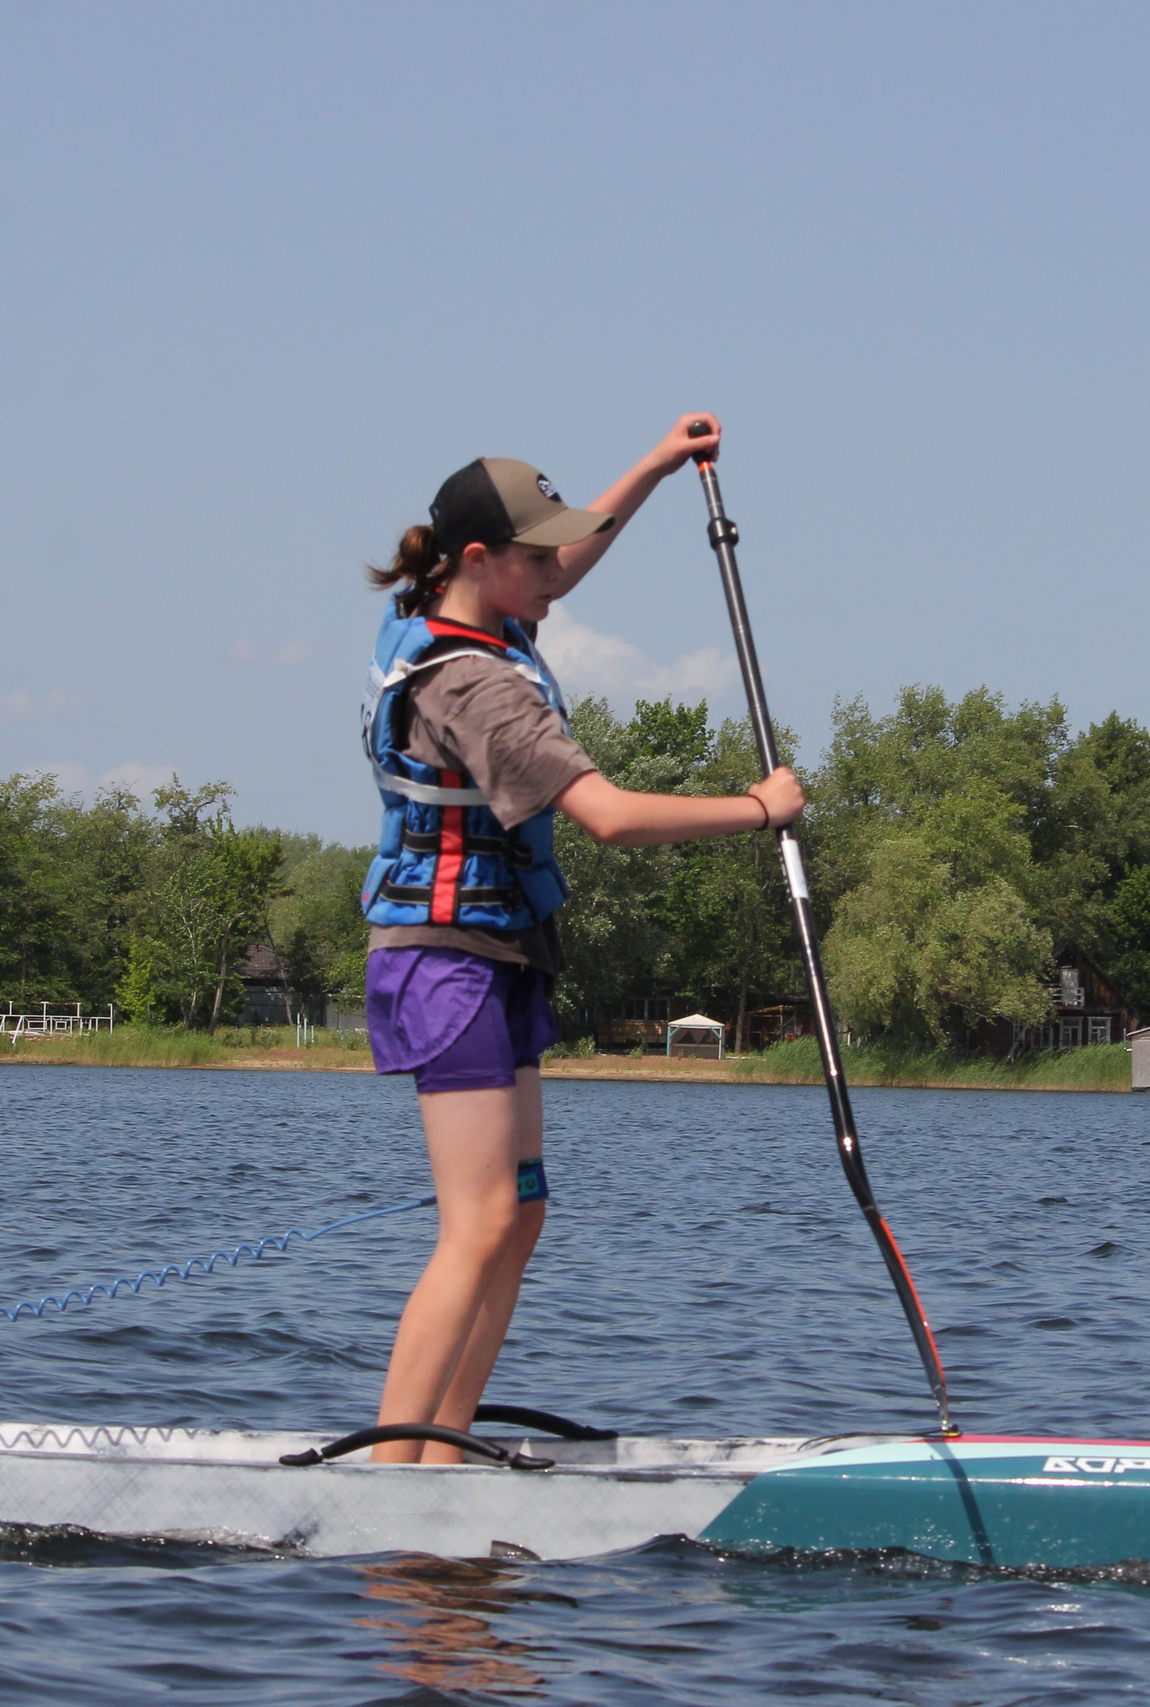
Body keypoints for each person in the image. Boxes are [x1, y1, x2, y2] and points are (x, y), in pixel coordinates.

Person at [358, 413, 801, 1463]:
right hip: (443, 960)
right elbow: (608, 818)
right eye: (534, 552)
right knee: (474, 1225)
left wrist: (653, 462)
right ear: (479, 560)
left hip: (503, 954)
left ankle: (444, 1445)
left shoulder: (472, 615)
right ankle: (390, 1473)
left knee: (521, 1213)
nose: (557, 569)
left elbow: (567, 561)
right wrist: (756, 806)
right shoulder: (473, 683)